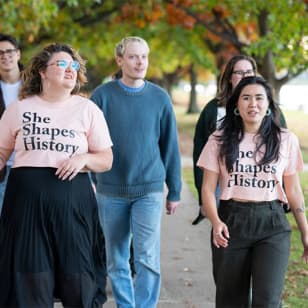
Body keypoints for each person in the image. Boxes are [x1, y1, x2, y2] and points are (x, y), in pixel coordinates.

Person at [0, 43, 113, 307]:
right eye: (62, 64)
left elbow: (106, 159)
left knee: (79, 282)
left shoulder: (88, 110)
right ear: (42, 71)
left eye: (74, 65)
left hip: (73, 208)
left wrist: (84, 158)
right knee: (30, 283)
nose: (70, 70)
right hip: (26, 210)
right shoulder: (19, 109)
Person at [197, 76, 308, 307]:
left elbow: (294, 189)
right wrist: (216, 222)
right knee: (230, 300)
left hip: (273, 224)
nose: (252, 104)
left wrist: (305, 232)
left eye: (259, 98)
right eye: (246, 98)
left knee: (267, 301)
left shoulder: (285, 139)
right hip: (231, 222)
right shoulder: (219, 139)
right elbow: (208, 190)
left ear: (268, 104)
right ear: (236, 104)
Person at [91, 36, 182, 308]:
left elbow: (170, 146)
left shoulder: (159, 98)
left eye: (144, 56)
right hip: (110, 190)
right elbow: (88, 141)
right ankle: (126, 305)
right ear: (120, 60)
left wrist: (175, 189)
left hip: (149, 189)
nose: (140, 61)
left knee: (146, 256)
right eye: (133, 56)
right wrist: (90, 180)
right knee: (116, 258)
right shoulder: (102, 96)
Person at [192, 55, 287, 225]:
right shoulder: (214, 109)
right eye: (239, 72)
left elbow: (284, 151)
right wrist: (203, 197)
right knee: (223, 233)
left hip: (260, 182)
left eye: (249, 72)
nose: (245, 76)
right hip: (221, 181)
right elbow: (200, 154)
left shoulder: (268, 108)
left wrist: (285, 192)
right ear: (229, 77)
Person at [0, 33, 23, 214]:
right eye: (0, 53)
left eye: (9, 51)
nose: (5, 56)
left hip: (29, 166)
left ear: (18, 54)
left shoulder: (37, 84)